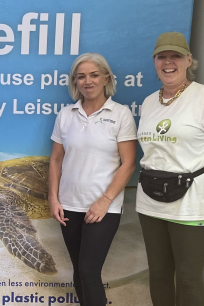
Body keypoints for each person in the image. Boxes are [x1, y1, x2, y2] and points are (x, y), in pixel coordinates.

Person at [137, 32, 204, 306]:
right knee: (158, 274)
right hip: (150, 202)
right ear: (155, 61)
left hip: (193, 204)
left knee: (188, 279)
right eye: (162, 57)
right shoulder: (149, 102)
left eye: (176, 56)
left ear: (189, 60)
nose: (168, 62)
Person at [47, 53, 137, 306]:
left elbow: (129, 163)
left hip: (104, 207)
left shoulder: (120, 114)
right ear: (75, 82)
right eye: (81, 76)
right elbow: (55, 160)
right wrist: (53, 199)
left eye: (94, 75)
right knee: (79, 270)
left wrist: (104, 201)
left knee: (89, 269)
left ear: (106, 78)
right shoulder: (66, 115)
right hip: (69, 205)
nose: (88, 81)